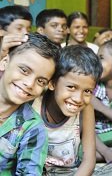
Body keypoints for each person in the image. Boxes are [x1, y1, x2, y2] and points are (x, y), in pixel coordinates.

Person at [32, 45, 112, 176]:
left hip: (73, 172)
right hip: (38, 172)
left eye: (87, 91)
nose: (78, 99)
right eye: (71, 87)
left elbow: (89, 162)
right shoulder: (34, 106)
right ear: (52, 83)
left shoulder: (86, 109)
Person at [0, 33, 60, 175]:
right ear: (4, 62)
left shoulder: (32, 128)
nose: (29, 84)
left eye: (41, 81)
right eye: (24, 70)